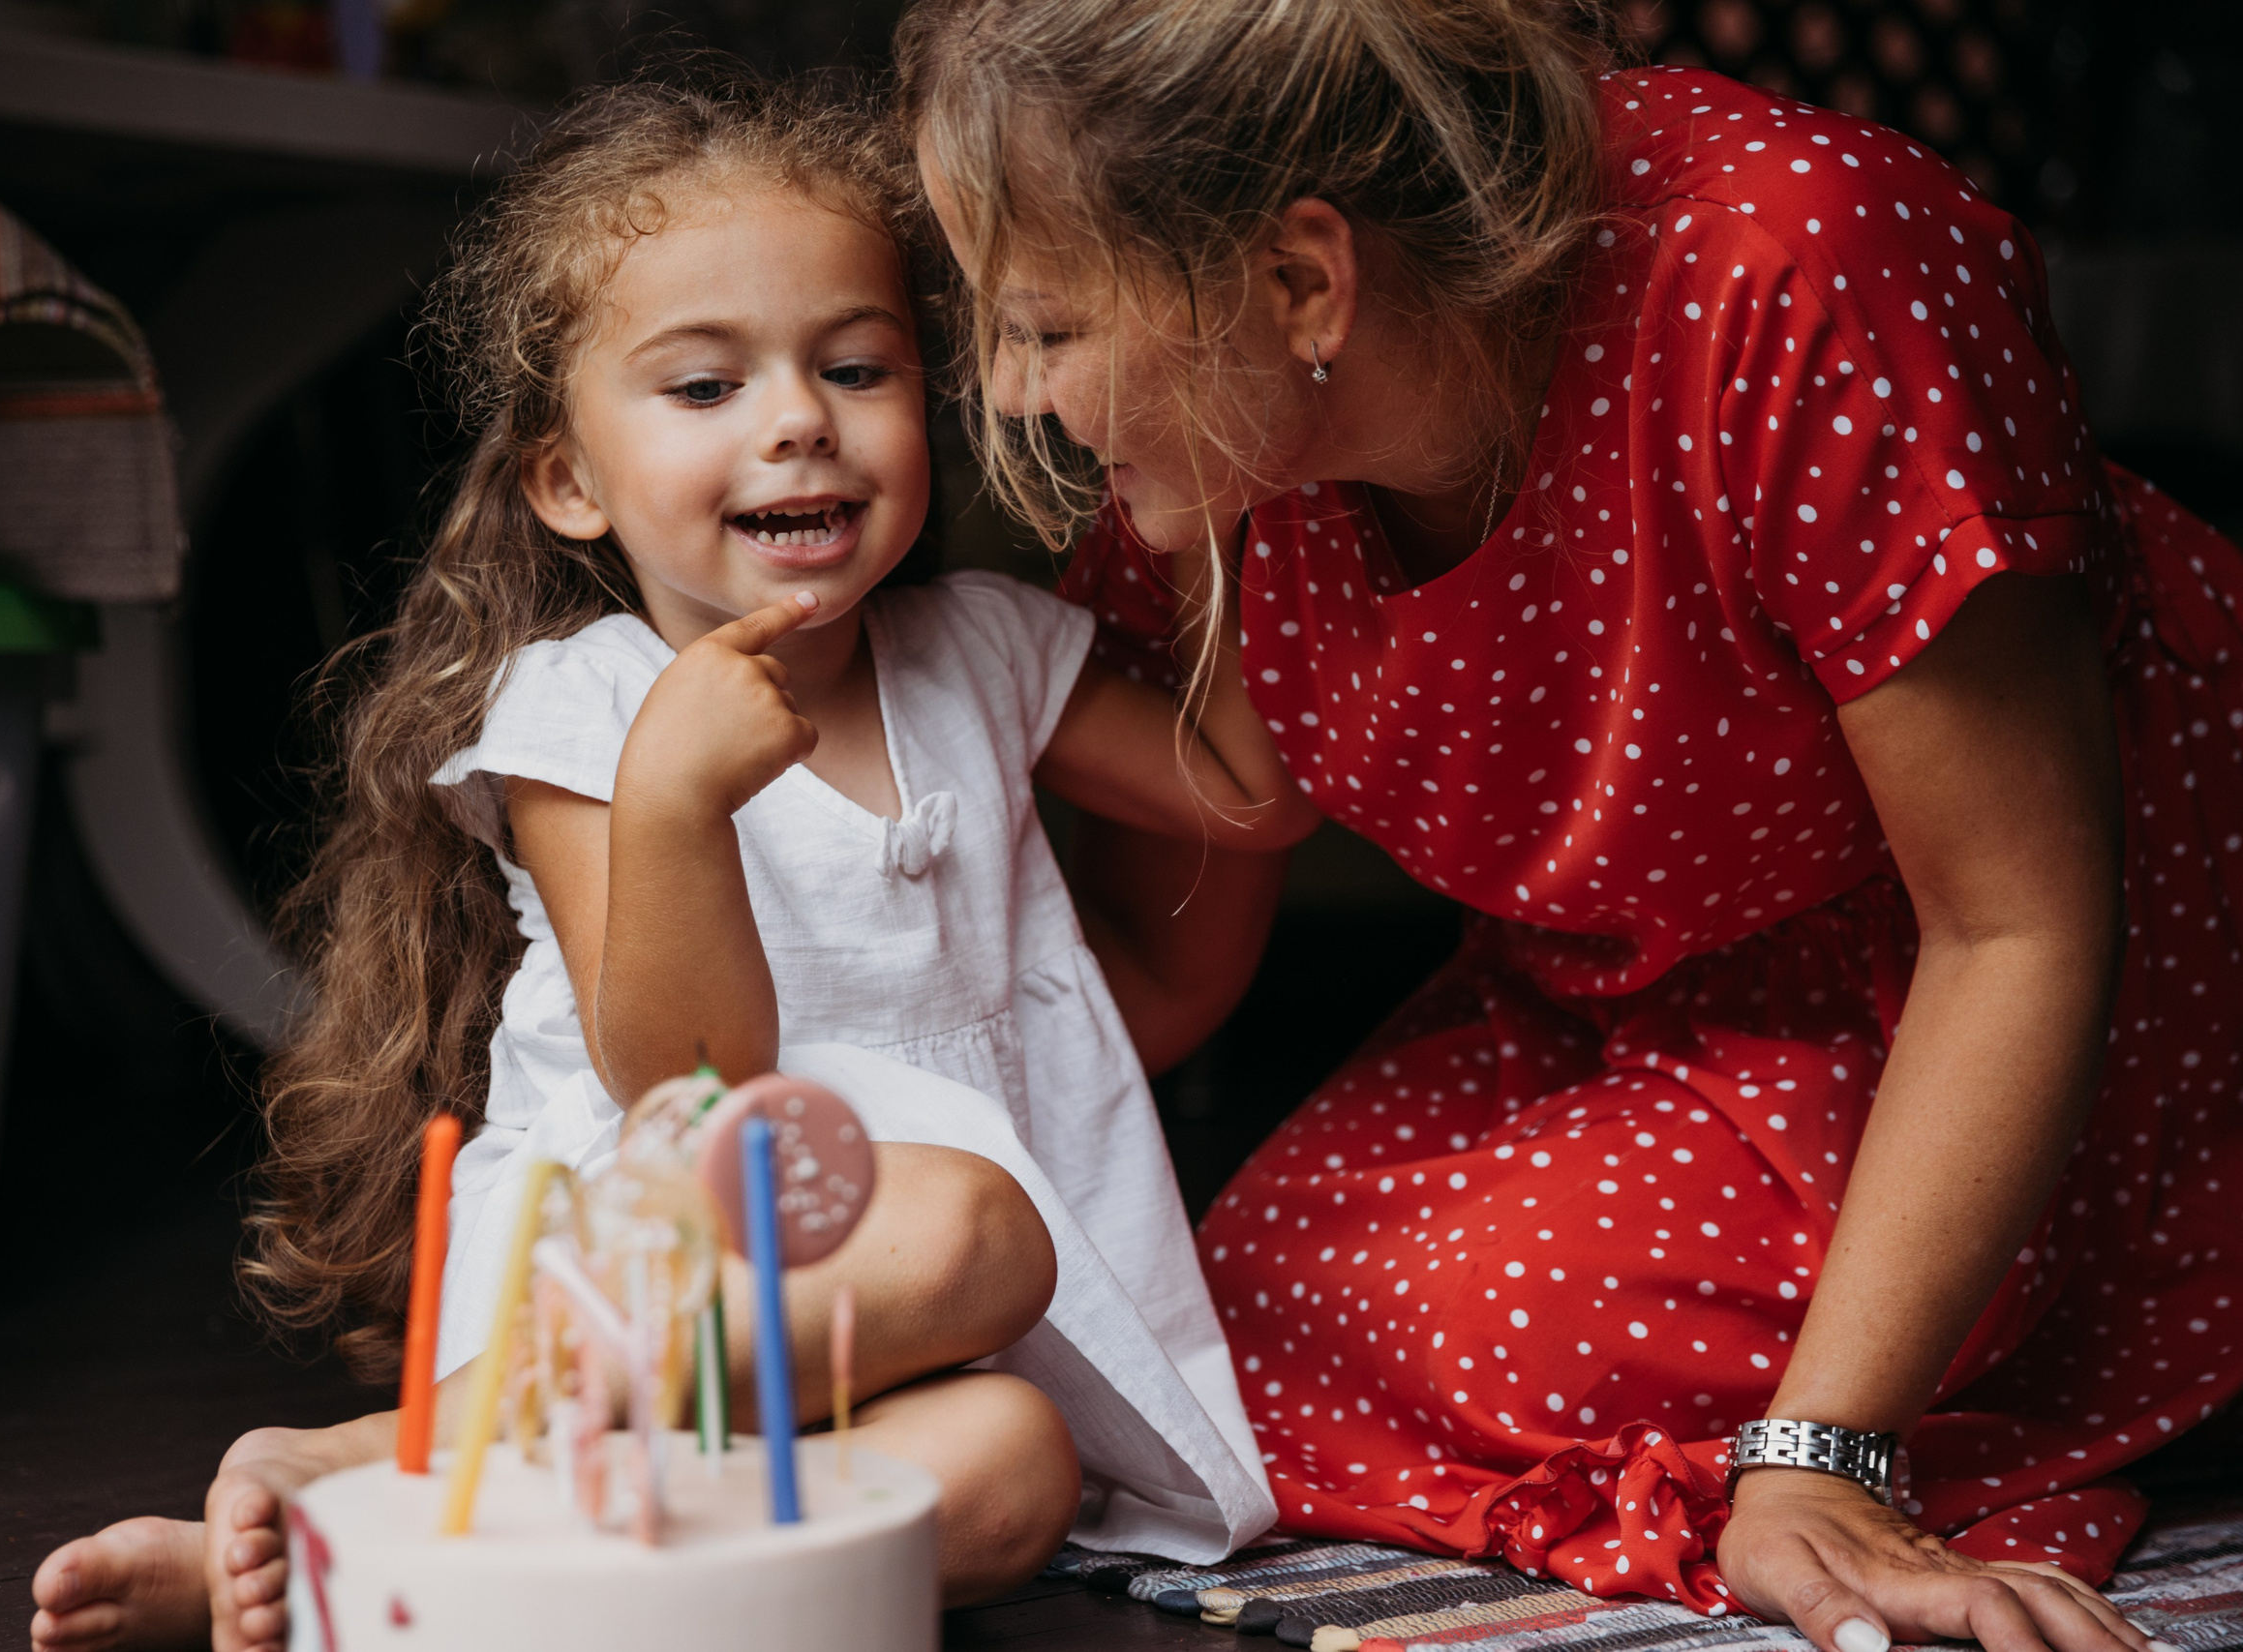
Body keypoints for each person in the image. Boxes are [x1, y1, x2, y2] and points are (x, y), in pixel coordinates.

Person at [899, 4, 2239, 1652]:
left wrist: (1821, 1460)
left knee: (1472, 1322)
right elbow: (1152, 988)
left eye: (1043, 329)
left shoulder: (1793, 265)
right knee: (1216, 1340)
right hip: (1616, 1004)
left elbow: (2022, 925)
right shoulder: (1226, 444)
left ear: (1305, 282)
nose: (1021, 399)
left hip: (2037, 1000)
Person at [28, 70, 1313, 1652]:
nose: (795, 419)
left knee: (1011, 1474)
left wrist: (1216, 501)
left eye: (856, 365)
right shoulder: (588, 708)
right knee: (984, 1228)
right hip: (664, 1258)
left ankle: (434, 1578)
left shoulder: (981, 652)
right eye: (703, 389)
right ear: (570, 478)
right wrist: (676, 805)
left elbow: (1251, 793)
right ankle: (369, 1476)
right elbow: (683, 1091)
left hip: (873, 1337)